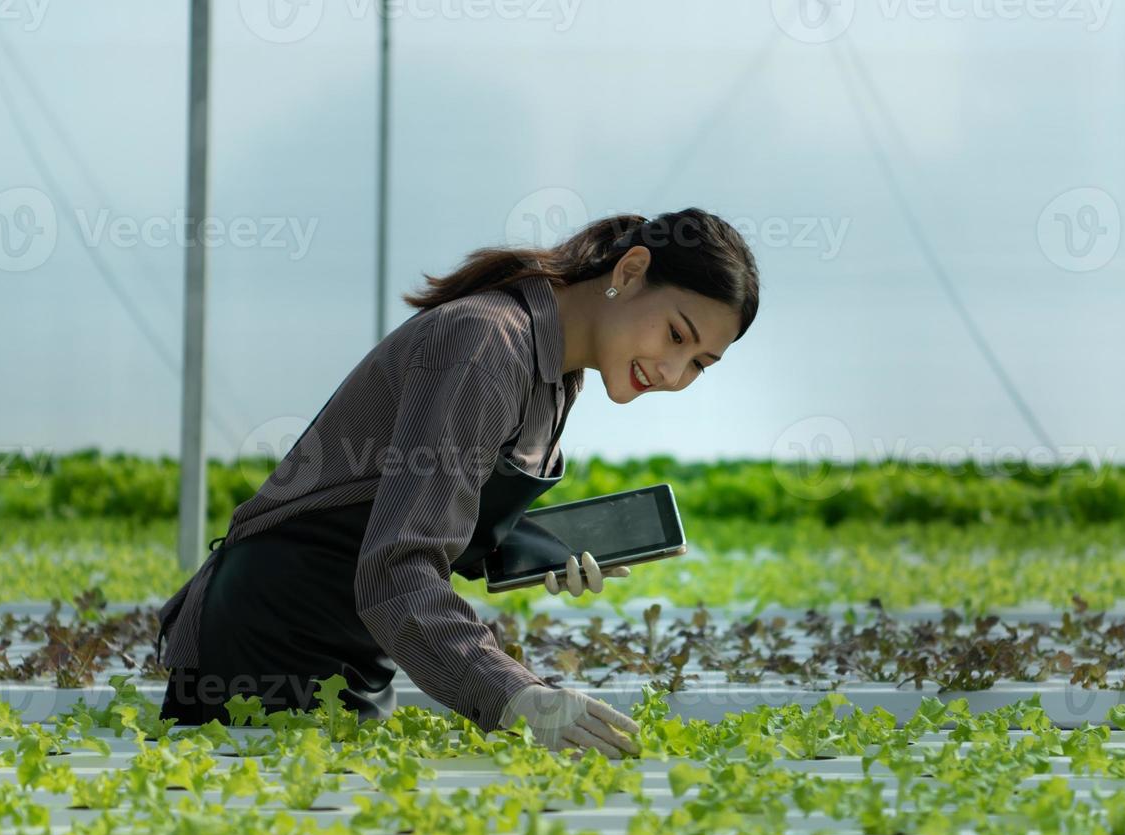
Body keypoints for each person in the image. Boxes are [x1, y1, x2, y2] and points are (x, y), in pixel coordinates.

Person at [153, 208, 760, 759]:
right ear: (629, 272)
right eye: (677, 336)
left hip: (359, 652)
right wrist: (517, 696)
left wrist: (533, 548)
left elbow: (426, 509)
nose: (673, 372)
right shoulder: (485, 345)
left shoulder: (556, 378)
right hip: (269, 643)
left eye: (700, 364)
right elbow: (395, 567)